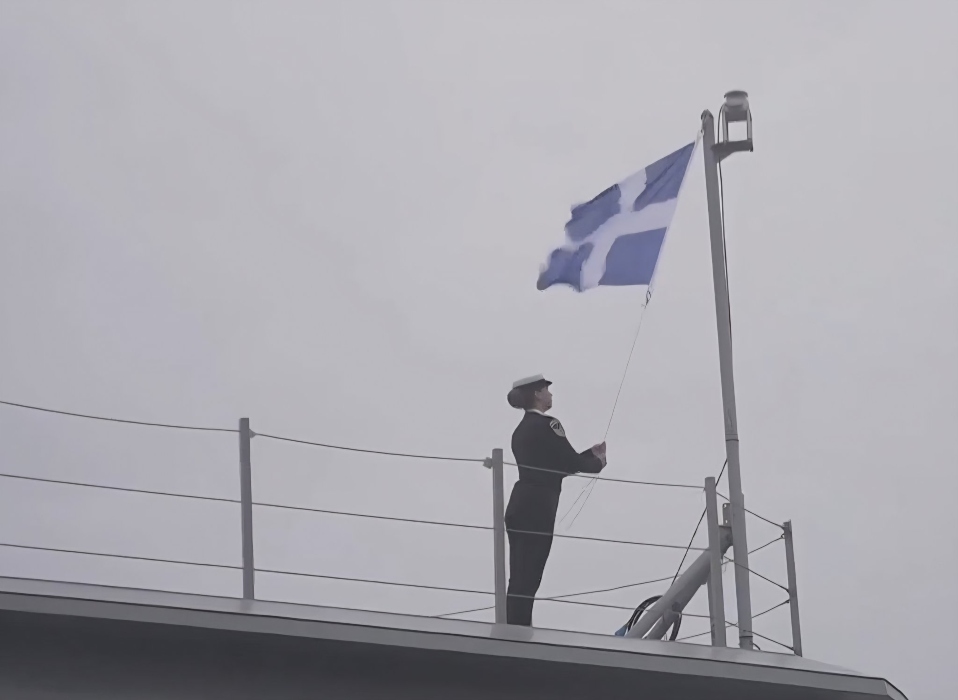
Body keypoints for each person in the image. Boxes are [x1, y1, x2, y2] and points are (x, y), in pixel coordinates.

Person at [503, 374, 607, 626]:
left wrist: (588, 455)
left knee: (519, 575)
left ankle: (513, 628)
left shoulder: (520, 430)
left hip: (520, 503)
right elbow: (570, 462)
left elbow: (555, 464)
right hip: (539, 505)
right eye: (547, 390)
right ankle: (519, 632)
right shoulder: (549, 424)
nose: (550, 394)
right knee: (531, 573)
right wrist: (598, 462)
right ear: (537, 394)